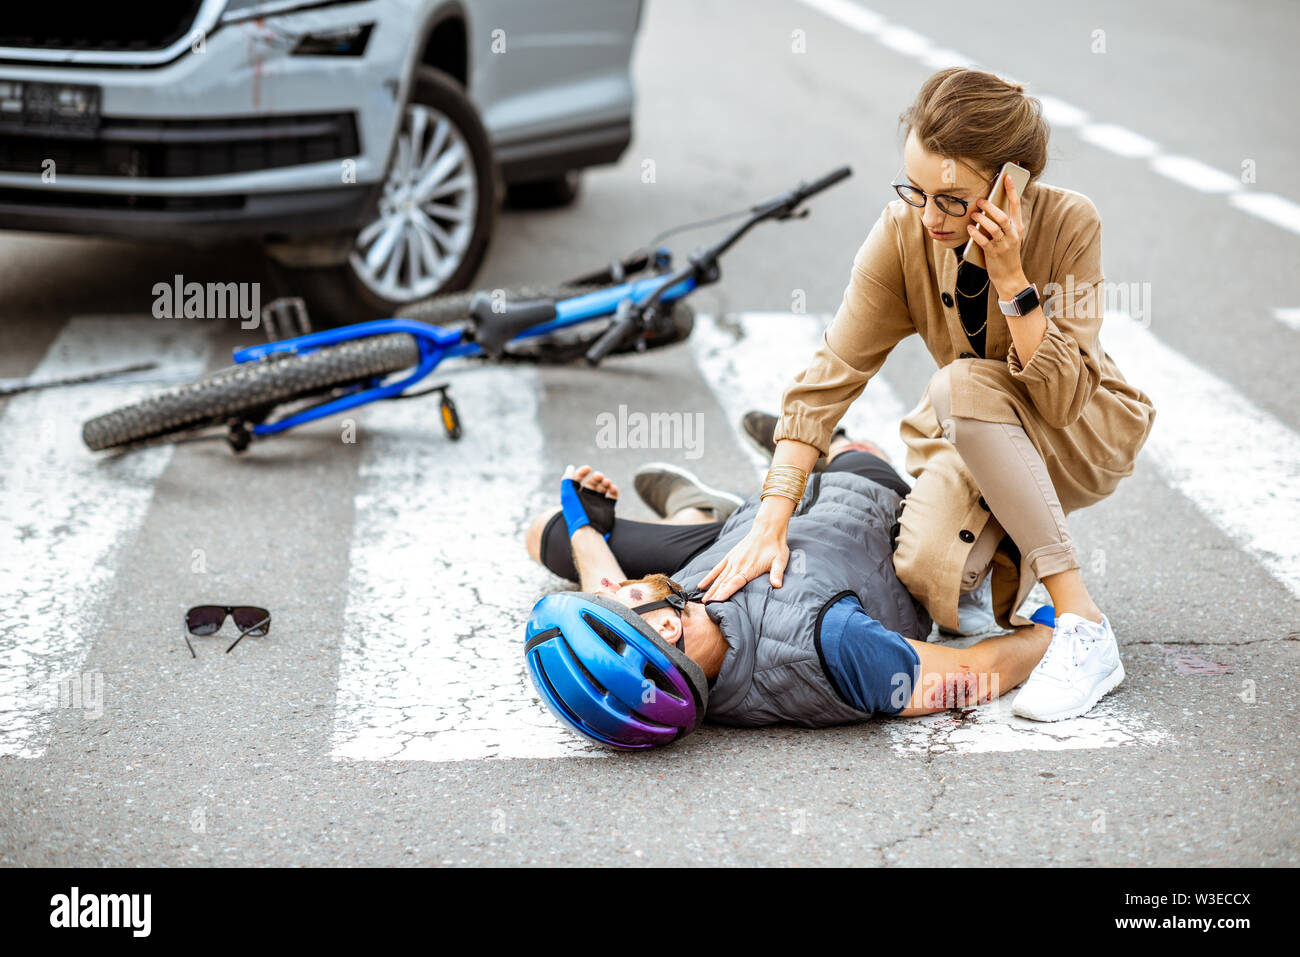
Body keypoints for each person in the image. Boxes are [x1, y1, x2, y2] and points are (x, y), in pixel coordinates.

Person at [699, 67, 1157, 722]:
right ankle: (988, 557)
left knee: (960, 383)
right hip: (973, 428)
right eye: (916, 191)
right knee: (929, 573)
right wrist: (772, 520)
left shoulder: (1070, 223)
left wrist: (1011, 279)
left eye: (951, 199)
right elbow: (833, 371)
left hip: (1080, 429)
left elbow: (1060, 399)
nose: (929, 216)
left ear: (1012, 187)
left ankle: (1083, 624)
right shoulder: (903, 233)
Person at [522, 442, 1057, 747]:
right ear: (664, 628)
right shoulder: (828, 644)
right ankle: (844, 440)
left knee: (546, 532)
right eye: (616, 596)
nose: (609, 587)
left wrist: (584, 526)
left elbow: (608, 607)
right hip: (861, 502)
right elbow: (970, 676)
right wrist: (1054, 632)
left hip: (743, 530)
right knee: (856, 452)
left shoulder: (676, 630)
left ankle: (698, 508)